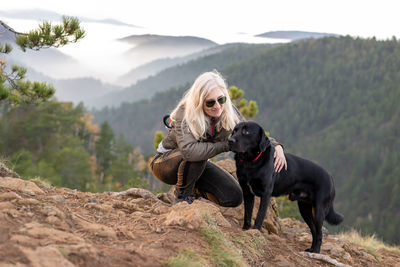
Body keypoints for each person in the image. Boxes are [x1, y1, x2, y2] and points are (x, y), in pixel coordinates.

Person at [150, 71, 287, 206]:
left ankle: (194, 189)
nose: (217, 106)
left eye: (221, 99)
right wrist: (226, 145)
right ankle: (182, 197)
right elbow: (189, 151)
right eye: (210, 102)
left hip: (197, 165)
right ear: (199, 101)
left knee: (233, 197)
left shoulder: (226, 109)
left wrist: (276, 146)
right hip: (165, 163)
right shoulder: (185, 112)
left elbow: (251, 133)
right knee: (197, 154)